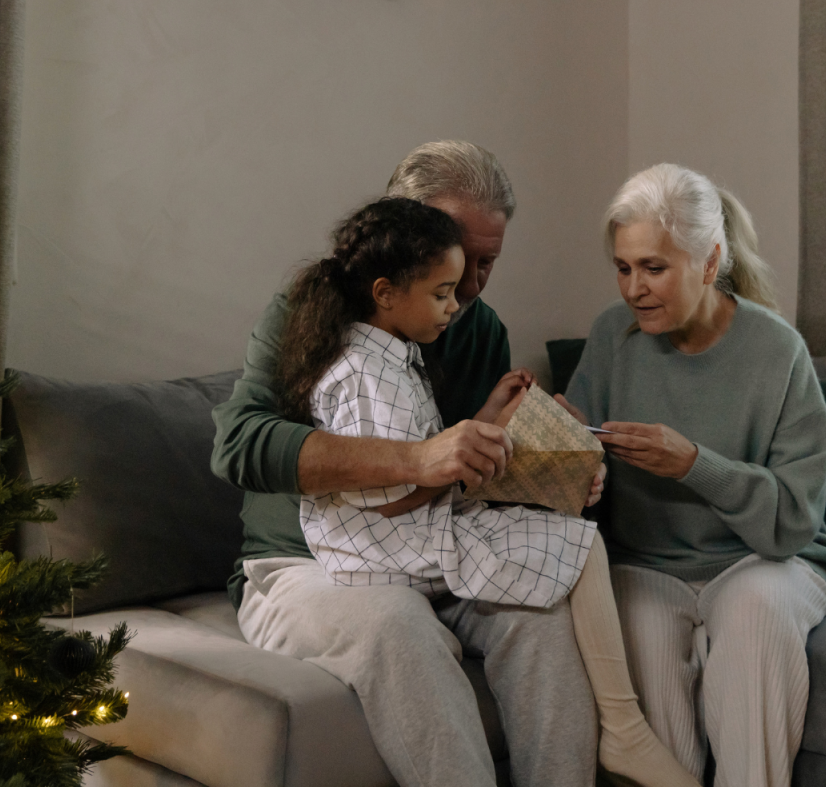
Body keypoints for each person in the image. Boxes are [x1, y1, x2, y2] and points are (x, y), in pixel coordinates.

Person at [211, 142, 599, 787]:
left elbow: (479, 479)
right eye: (456, 257)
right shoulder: (309, 311)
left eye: (486, 262)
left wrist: (557, 460)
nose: (469, 286)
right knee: (396, 624)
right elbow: (240, 444)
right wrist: (417, 458)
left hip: (434, 554)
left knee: (542, 615)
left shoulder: (478, 329)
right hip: (307, 566)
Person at [280, 195, 701, 787]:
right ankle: (625, 728)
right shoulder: (369, 375)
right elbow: (387, 495)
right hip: (388, 547)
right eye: (441, 293)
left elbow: (419, 453)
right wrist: (473, 464)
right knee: (579, 543)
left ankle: (620, 731)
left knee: (563, 552)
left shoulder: (386, 357)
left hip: (399, 533)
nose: (456, 305)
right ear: (385, 294)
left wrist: (487, 418)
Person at [559, 163, 826, 787]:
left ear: (709, 260)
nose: (634, 289)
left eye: (654, 268)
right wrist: (563, 443)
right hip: (645, 564)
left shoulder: (777, 350)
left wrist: (695, 465)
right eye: (623, 268)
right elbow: (582, 478)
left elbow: (792, 522)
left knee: (756, 613)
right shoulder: (612, 336)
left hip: (763, 560)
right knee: (638, 648)